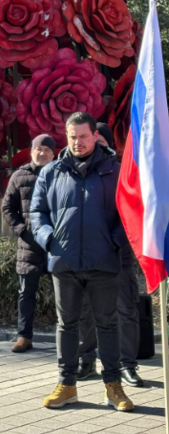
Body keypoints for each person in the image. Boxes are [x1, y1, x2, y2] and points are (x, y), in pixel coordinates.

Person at [30, 111, 134, 412]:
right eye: (73, 137)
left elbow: (128, 211)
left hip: (103, 261)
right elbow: (37, 212)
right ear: (67, 136)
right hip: (65, 262)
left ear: (95, 136)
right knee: (67, 325)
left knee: (108, 325)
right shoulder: (52, 172)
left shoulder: (114, 170)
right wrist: (49, 239)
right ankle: (67, 385)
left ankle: (113, 386)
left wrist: (113, 241)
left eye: (83, 136)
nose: (78, 142)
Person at [77, 123, 143, 387]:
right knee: (85, 312)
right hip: (85, 255)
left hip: (118, 254)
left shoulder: (122, 172)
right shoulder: (77, 169)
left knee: (125, 311)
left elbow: (132, 211)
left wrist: (112, 240)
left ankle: (127, 364)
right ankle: (86, 361)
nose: (99, 147)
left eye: (103, 142)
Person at [2, 134, 56, 353]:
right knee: (26, 293)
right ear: (31, 150)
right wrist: (22, 231)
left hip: (56, 244)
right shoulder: (19, 176)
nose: (42, 153)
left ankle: (71, 337)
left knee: (65, 293)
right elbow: (8, 208)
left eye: (47, 150)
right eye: (38, 149)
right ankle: (24, 335)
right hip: (29, 245)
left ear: (54, 154)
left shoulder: (61, 174)